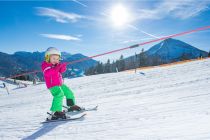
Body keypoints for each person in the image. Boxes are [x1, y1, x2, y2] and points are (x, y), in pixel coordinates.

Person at [41, 47, 81, 120]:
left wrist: (63, 67)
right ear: (47, 58)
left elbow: (61, 71)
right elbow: (49, 73)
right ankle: (56, 112)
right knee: (59, 94)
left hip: (60, 83)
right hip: (52, 85)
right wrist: (57, 67)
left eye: (57, 59)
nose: (56, 61)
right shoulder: (45, 65)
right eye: (53, 59)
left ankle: (71, 106)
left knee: (68, 92)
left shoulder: (56, 65)